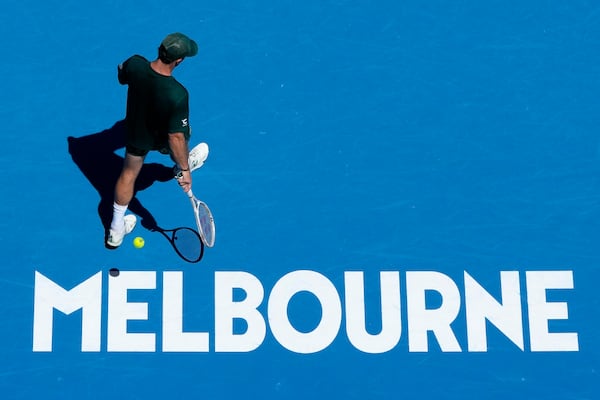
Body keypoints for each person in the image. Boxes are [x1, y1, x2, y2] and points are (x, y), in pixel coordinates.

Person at [106, 32, 203, 249]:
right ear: (179, 61)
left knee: (128, 174)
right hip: (163, 137)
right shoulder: (177, 94)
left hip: (136, 133)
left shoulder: (135, 64)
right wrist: (185, 169)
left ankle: (115, 231)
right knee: (182, 134)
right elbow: (175, 136)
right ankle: (181, 165)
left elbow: (121, 74)